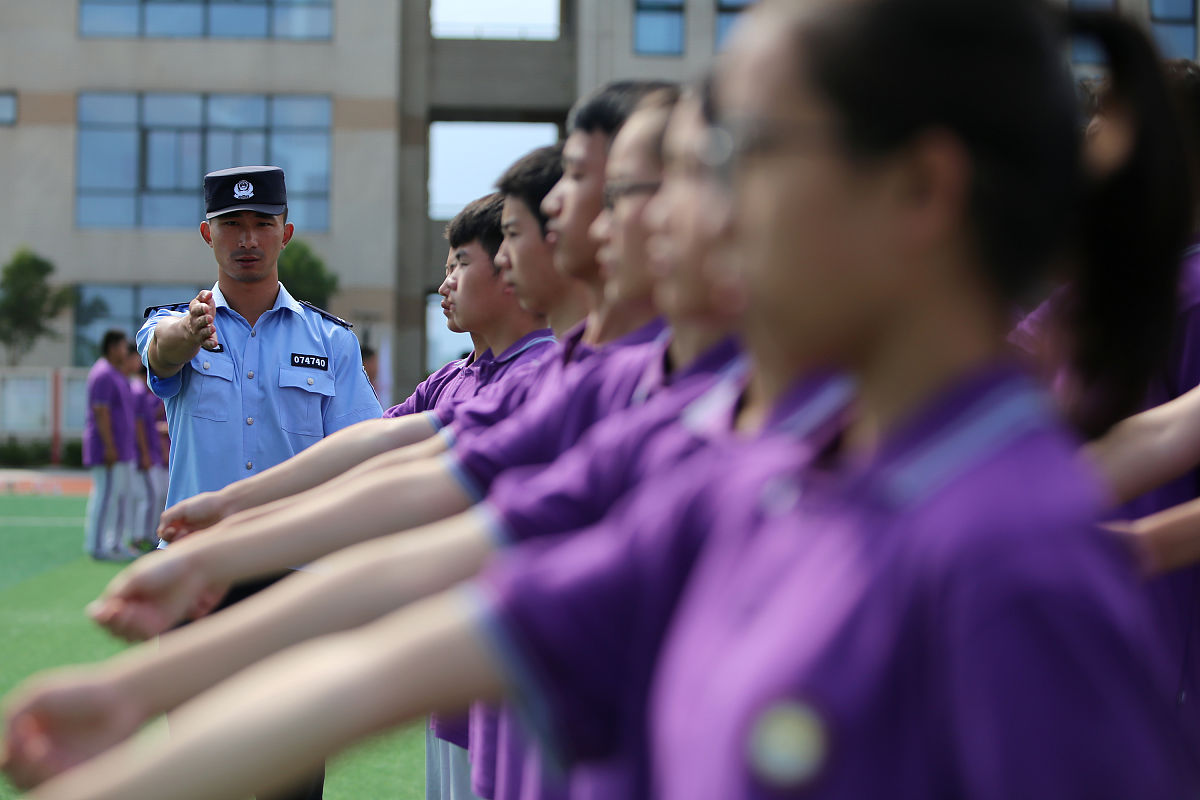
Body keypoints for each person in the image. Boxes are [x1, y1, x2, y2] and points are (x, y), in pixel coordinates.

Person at [7, 1, 1197, 798]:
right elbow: (444, 624)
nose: (689, 212)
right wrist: (134, 707)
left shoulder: (1015, 575)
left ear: (921, 191)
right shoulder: (764, 475)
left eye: (742, 159)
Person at [136, 164, 382, 800]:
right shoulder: (176, 326)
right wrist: (186, 336)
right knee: (197, 767)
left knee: (292, 773)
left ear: (286, 233)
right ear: (207, 235)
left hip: (293, 578)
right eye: (232, 226)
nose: (247, 239)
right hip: (196, 579)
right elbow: (160, 353)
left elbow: (361, 450)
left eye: (261, 225)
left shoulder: (331, 343)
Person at [386, 192, 555, 421]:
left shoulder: (540, 371)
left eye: (462, 265)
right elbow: (384, 431)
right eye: (448, 270)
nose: (445, 286)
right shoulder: (446, 378)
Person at [82, 329, 137, 561]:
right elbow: (101, 412)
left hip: (122, 448)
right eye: (123, 346)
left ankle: (114, 543)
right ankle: (97, 546)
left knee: (119, 497)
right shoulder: (102, 373)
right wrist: (110, 446)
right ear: (113, 347)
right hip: (107, 448)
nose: (126, 351)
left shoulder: (116, 374)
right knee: (105, 497)